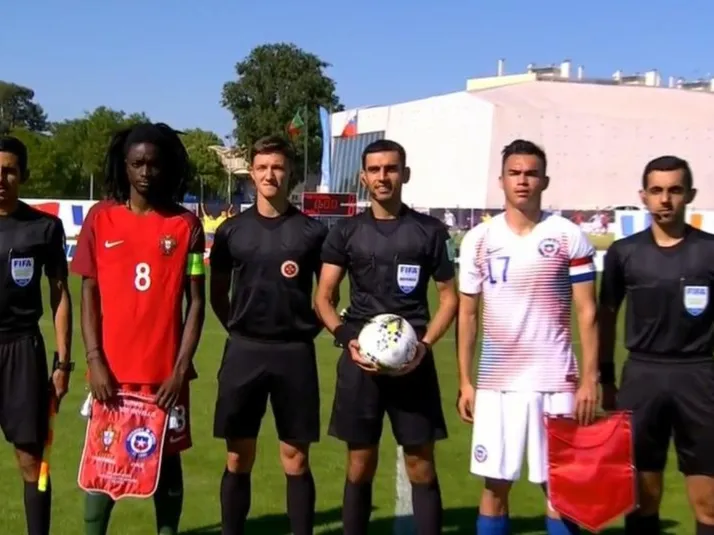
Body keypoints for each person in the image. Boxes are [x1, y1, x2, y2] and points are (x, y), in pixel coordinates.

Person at [314, 139, 458, 535]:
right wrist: (347, 337)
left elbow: (449, 298)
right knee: (359, 464)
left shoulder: (430, 231)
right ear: (363, 177)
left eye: (391, 168)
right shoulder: (346, 231)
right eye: (375, 170)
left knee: (421, 464)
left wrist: (424, 346)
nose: (383, 176)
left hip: (414, 365)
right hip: (360, 365)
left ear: (404, 174)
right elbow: (323, 298)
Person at [456, 139, 599, 535]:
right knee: (495, 487)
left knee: (560, 489)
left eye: (531, 174)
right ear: (501, 180)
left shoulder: (568, 235)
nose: (522, 181)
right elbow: (468, 314)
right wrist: (465, 381)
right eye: (514, 173)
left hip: (556, 382)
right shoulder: (478, 240)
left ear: (545, 181)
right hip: (497, 383)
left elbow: (587, 312)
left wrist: (590, 379)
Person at [71, 123, 206, 535]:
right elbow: (88, 293)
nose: (145, 172)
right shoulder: (101, 218)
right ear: (124, 165)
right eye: (137, 163)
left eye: (154, 163)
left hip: (164, 376)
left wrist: (180, 370)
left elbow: (196, 302)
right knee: (103, 463)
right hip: (111, 374)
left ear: (167, 166)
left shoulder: (186, 225)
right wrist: (94, 360)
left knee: (167, 463)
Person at [210, 135, 329, 535]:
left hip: (294, 354)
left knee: (295, 458)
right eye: (262, 167)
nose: (270, 175)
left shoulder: (312, 232)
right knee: (237, 456)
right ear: (252, 173)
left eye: (277, 167)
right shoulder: (231, 231)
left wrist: (306, 327)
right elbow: (217, 293)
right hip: (244, 352)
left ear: (290, 172)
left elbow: (326, 295)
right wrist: (239, 327)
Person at [599, 156, 714, 535]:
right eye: (657, 191)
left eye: (675, 190)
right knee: (641, 498)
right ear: (643, 196)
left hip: (699, 377)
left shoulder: (710, 250)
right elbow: (606, 317)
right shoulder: (624, 252)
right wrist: (605, 378)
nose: (665, 199)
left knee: (709, 503)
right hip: (642, 378)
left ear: (690, 195)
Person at [0, 136, 72, 535]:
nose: (1, 179)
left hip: (22, 351)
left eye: (9, 170)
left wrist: (63, 363)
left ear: (23, 175)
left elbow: (60, 296)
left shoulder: (44, 228)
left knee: (31, 459)